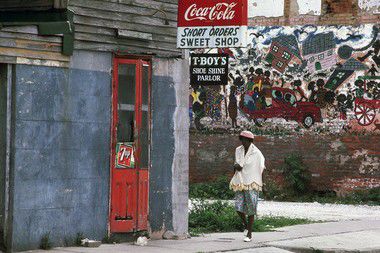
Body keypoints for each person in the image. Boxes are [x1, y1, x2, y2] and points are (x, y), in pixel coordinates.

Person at [230, 131, 266, 242]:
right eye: (242, 139)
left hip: (252, 182)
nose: (243, 142)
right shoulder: (238, 150)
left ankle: (249, 233)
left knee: (251, 209)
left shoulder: (257, 153)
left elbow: (261, 168)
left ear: (250, 141)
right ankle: (246, 225)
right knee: (238, 207)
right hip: (240, 181)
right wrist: (235, 169)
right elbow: (237, 165)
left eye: (245, 140)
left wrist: (263, 184)